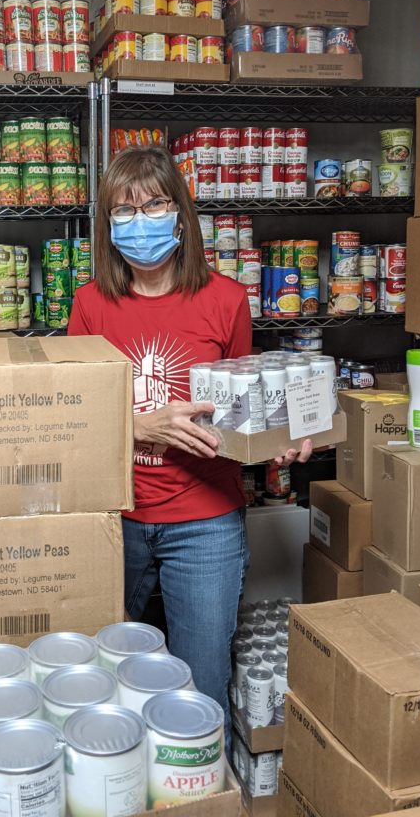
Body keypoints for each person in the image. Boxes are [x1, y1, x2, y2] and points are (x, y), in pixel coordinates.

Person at [67, 145, 311, 738]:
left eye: (154, 204)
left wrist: (280, 435)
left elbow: (243, 406)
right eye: (124, 212)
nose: (141, 221)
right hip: (113, 519)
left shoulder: (226, 299)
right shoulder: (90, 304)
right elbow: (69, 423)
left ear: (181, 214)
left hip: (205, 522)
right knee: (101, 686)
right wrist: (139, 426)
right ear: (107, 225)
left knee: (201, 690)